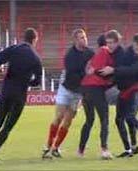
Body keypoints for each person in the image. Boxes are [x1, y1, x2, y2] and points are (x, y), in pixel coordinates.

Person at [0, 28, 43, 163]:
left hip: (7, 90)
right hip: (20, 95)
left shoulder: (14, 48)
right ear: (34, 40)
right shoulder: (36, 58)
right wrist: (26, 82)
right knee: (8, 126)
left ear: (24, 37)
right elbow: (37, 81)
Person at [42, 29, 94, 159]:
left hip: (78, 93)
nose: (85, 40)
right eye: (81, 38)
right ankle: (48, 146)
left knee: (68, 121)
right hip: (66, 89)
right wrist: (87, 73)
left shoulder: (90, 53)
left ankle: (55, 148)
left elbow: (96, 65)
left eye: (85, 37)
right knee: (59, 116)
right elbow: (72, 74)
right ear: (75, 40)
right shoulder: (70, 55)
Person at [78, 32, 115, 160]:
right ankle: (104, 149)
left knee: (89, 120)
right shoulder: (105, 51)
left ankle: (81, 150)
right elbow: (101, 71)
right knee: (104, 119)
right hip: (95, 88)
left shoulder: (96, 54)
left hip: (85, 88)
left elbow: (92, 70)